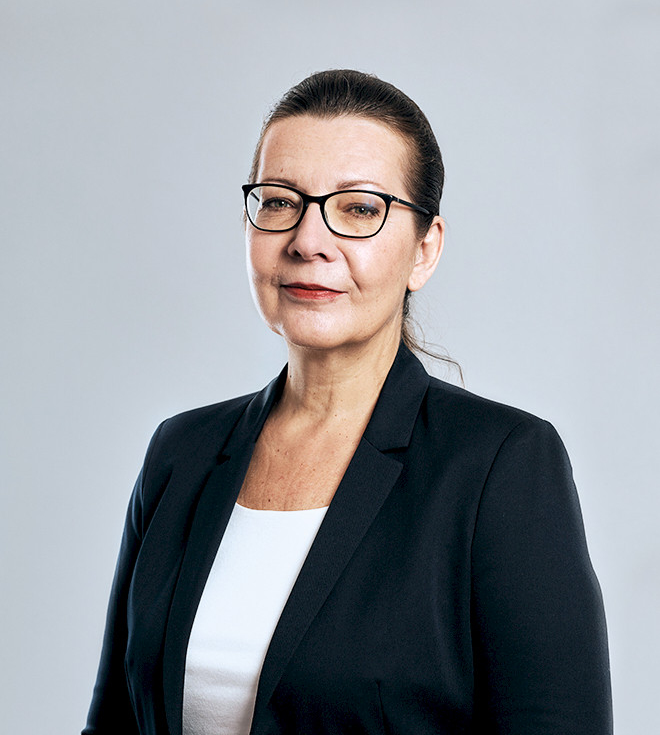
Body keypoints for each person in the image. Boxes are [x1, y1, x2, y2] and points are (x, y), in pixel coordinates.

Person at [83, 69, 613, 735]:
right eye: (280, 202)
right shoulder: (180, 453)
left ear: (424, 251)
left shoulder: (499, 467)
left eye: (359, 208)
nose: (308, 241)